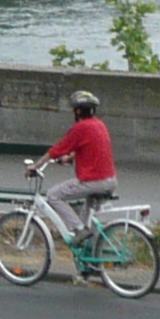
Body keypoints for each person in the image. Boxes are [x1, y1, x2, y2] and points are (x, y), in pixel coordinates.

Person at [31, 89, 118, 229]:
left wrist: (35, 166)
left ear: (77, 111)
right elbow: (91, 147)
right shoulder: (99, 125)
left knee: (53, 195)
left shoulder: (81, 127)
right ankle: (88, 243)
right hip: (109, 181)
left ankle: (77, 230)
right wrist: (69, 158)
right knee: (86, 222)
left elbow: (57, 149)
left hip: (93, 181)